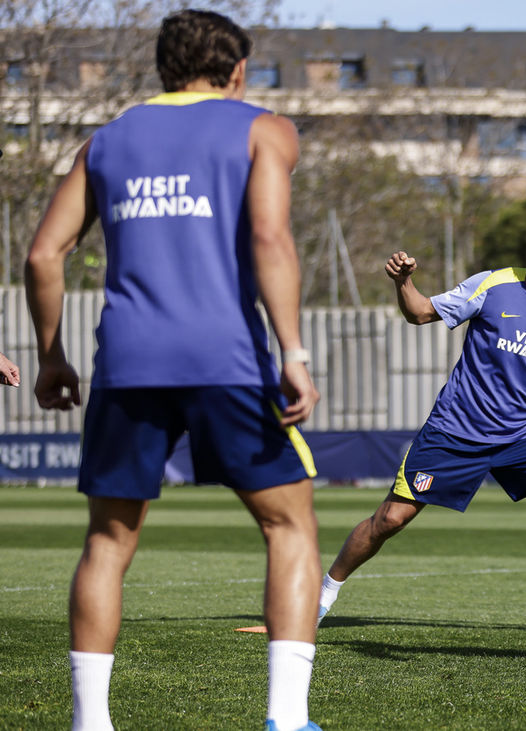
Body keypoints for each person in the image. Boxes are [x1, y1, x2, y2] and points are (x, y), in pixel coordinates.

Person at [24, 10, 322, 731]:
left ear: (161, 66)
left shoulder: (106, 141)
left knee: (108, 540)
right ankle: (285, 719)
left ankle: (89, 723)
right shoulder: (263, 128)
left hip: (127, 364)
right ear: (238, 69)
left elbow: (41, 255)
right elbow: (269, 237)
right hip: (226, 360)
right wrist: (294, 352)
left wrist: (52, 356)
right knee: (289, 527)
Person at [317, 216, 526, 633]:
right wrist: (403, 282)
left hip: (524, 437)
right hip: (454, 432)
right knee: (390, 519)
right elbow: (420, 313)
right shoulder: (494, 286)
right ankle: (317, 601)